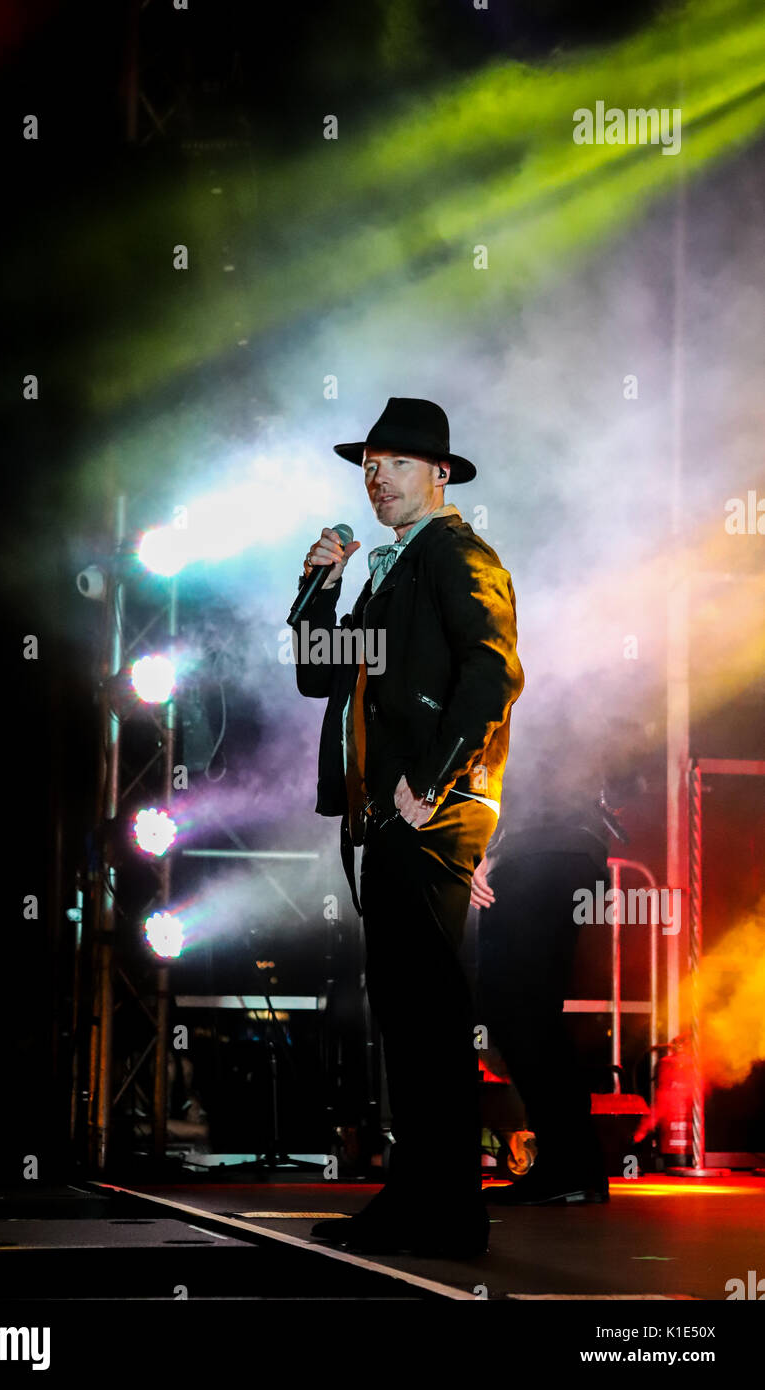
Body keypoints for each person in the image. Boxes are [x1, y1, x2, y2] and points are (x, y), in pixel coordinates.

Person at [292, 397, 524, 1257]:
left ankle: (451, 1213)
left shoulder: (457, 554)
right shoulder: (392, 567)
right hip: (388, 808)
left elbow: (495, 674)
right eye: (368, 463)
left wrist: (432, 782)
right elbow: (322, 676)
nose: (374, 476)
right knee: (405, 1006)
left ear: (438, 474)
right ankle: (420, 1199)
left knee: (426, 1007)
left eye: (392, 462)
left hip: (430, 805)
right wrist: (319, 587)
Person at [470, 713, 628, 1205]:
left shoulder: (514, 671)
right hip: (559, 848)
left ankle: (570, 1165)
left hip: (543, 850)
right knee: (529, 1011)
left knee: (518, 1007)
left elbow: (507, 762)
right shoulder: (540, 674)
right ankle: (574, 1164)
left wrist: (484, 847)